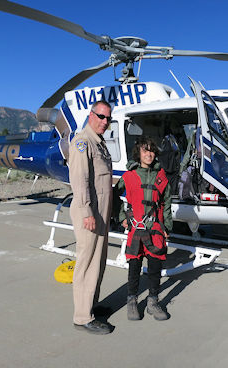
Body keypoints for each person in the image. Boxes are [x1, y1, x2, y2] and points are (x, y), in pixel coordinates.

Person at [114, 136, 173, 321]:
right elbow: (114, 196)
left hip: (155, 227)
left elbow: (167, 202)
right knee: (134, 267)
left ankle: (153, 302)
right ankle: (132, 301)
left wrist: (167, 226)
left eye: (152, 150)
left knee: (155, 267)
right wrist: (122, 217)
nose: (149, 154)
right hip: (135, 227)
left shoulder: (161, 177)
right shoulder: (129, 176)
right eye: (145, 150)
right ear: (138, 153)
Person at [68, 100, 113, 335]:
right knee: (86, 263)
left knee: (99, 260)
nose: (105, 122)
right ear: (90, 115)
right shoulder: (83, 143)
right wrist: (87, 213)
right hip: (90, 214)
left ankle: (91, 305)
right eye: (101, 116)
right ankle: (82, 316)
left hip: (101, 214)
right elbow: (80, 181)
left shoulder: (100, 143)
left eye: (108, 118)